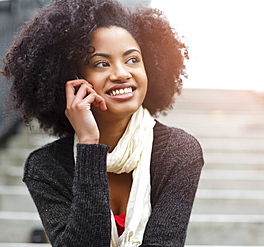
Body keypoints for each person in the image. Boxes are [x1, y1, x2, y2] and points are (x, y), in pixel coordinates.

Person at [1, 0, 204, 246]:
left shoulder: (178, 151)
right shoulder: (46, 167)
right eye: (101, 64)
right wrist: (89, 146)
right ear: (73, 80)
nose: (121, 73)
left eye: (132, 60)